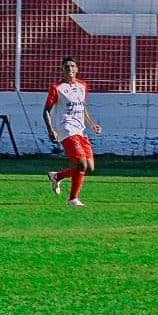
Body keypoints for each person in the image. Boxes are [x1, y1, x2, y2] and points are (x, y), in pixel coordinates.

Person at [43, 57, 102, 208]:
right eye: (66, 66)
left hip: (80, 130)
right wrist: (51, 129)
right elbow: (46, 111)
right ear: (61, 70)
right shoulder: (57, 88)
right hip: (66, 129)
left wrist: (92, 124)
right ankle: (73, 199)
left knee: (89, 167)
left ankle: (57, 176)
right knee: (81, 164)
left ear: (77, 69)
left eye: (72, 66)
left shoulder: (83, 85)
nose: (69, 68)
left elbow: (82, 107)